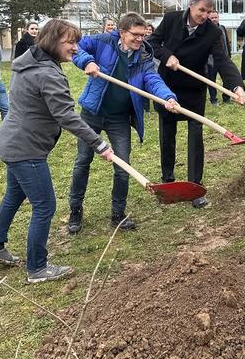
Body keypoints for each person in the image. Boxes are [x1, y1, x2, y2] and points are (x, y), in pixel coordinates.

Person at [0, 19, 114, 282]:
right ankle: (37, 268)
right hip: (25, 148)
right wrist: (99, 144)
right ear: (52, 41)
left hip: (11, 140)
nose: (76, 48)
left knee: (13, 195)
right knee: (44, 206)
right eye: (70, 42)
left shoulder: (28, 62)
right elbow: (67, 116)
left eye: (77, 42)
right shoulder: (48, 73)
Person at [68, 12, 179, 233]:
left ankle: (118, 214)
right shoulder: (102, 41)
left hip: (119, 117)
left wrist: (168, 97)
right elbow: (75, 46)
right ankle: (75, 211)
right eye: (135, 35)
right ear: (122, 33)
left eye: (143, 34)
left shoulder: (145, 54)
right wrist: (87, 61)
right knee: (83, 161)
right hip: (92, 112)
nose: (140, 39)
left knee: (122, 165)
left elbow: (152, 79)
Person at [148, 0, 245, 208]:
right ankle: (168, 181)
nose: (204, 15)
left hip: (194, 89)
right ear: (191, 5)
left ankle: (195, 187)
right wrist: (167, 56)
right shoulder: (171, 19)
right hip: (167, 86)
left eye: (208, 11)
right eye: (201, 10)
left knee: (195, 134)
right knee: (167, 132)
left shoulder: (212, 31)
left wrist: (237, 86)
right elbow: (153, 43)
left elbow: (222, 60)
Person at [206, 10, 231, 105]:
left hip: (224, 59)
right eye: (211, 18)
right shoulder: (206, 30)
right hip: (211, 60)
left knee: (227, 79)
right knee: (211, 81)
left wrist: (229, 55)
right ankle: (213, 99)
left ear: (218, 17)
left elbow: (226, 43)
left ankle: (226, 97)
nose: (214, 19)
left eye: (215, 17)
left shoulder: (222, 28)